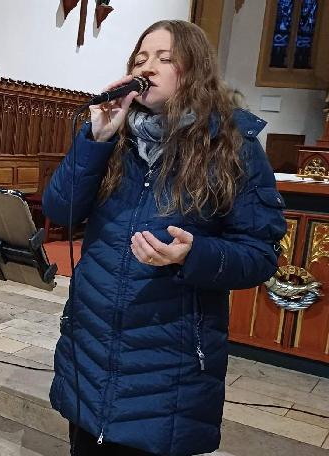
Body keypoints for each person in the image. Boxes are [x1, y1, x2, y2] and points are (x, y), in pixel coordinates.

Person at [43, 20, 285, 456]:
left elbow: (259, 254)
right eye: (140, 59)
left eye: (164, 58)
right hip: (91, 349)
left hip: (168, 365)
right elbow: (61, 211)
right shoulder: (113, 138)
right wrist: (96, 138)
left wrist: (194, 254)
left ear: (195, 70)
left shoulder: (233, 146)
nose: (147, 67)